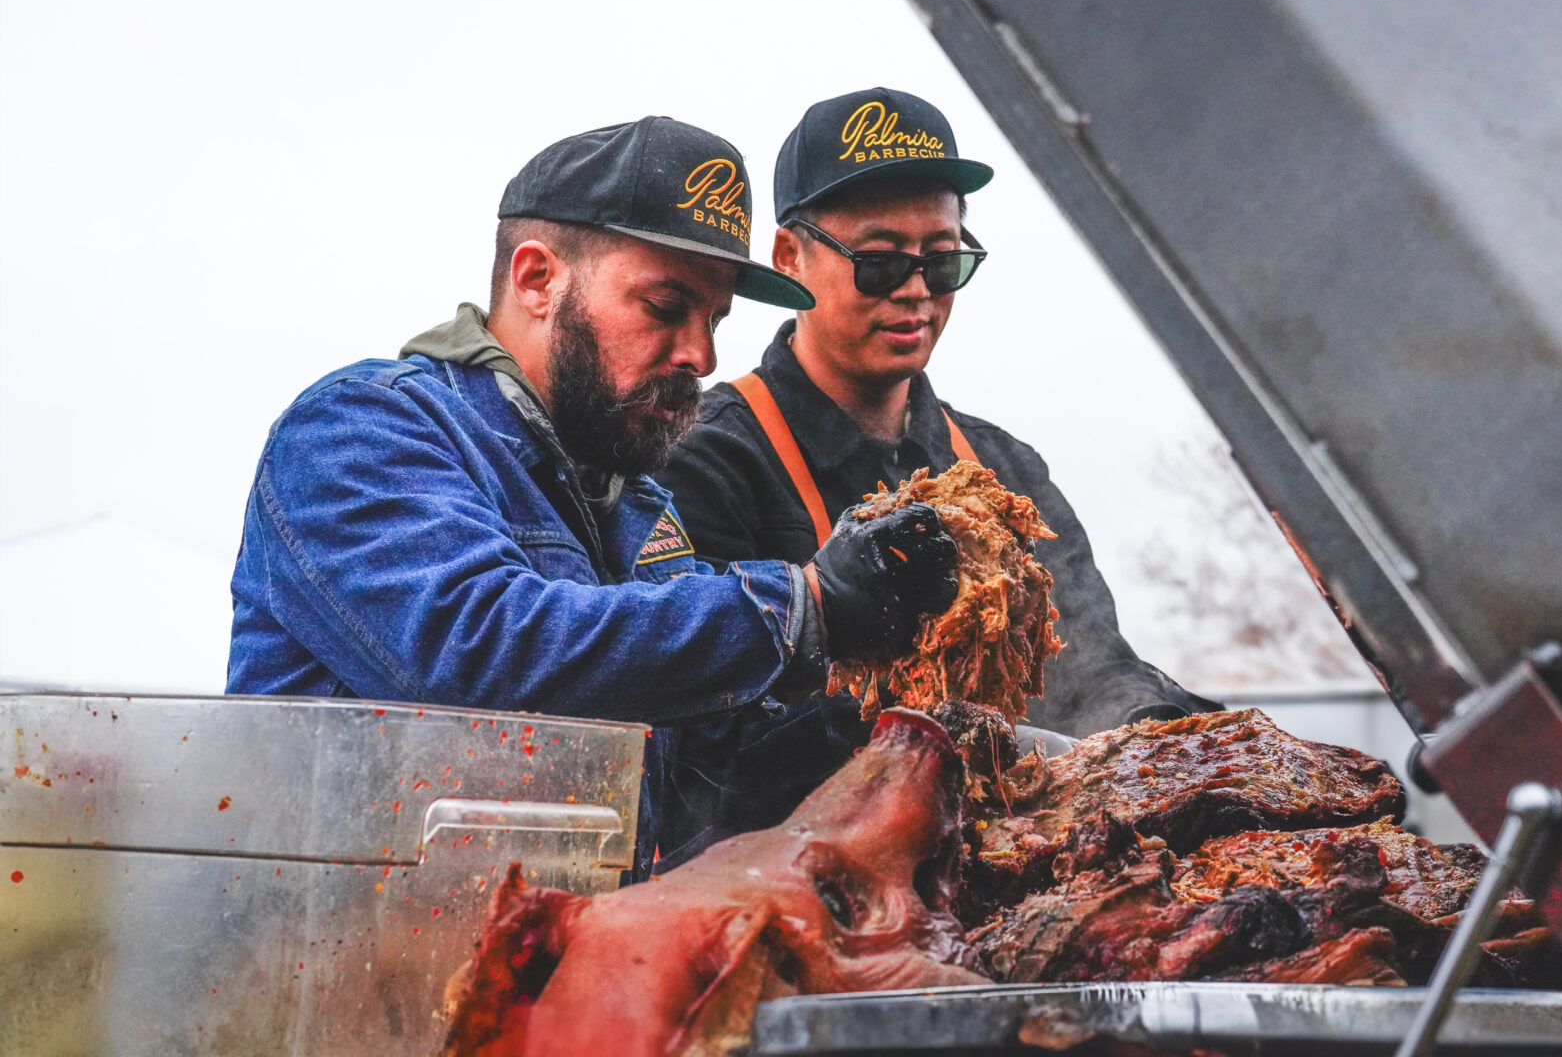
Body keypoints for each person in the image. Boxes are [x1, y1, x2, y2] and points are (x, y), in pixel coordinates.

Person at [227, 116, 961, 871]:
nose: (700, 355)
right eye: (665, 307)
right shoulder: (362, 429)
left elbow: (711, 767)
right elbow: (477, 653)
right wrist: (804, 603)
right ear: (538, 278)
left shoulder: (636, 510)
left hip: (542, 962)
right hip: (328, 961)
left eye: (713, 319)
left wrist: (897, 731)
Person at [655, 88, 1216, 855]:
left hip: (983, 872)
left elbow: (1092, 665)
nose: (916, 290)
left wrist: (1162, 736)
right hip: (782, 881)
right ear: (789, 257)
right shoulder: (706, 459)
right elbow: (701, 749)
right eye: (880, 263)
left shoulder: (1005, 468)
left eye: (942, 261)